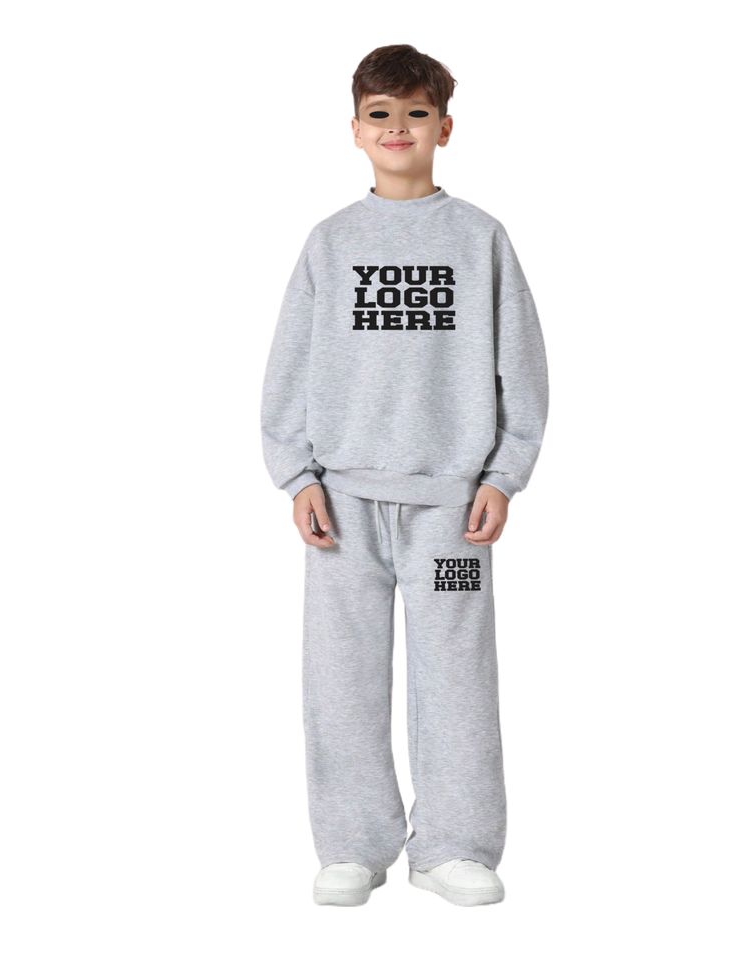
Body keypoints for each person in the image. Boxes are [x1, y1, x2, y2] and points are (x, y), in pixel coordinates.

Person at [260, 43, 549, 907]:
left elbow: (522, 366)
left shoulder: (479, 239)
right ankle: (354, 845)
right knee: (341, 679)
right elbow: (289, 366)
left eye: (416, 113)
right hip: (343, 505)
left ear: (444, 128)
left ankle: (454, 847)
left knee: (456, 676)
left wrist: (503, 474)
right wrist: (296, 475)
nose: (398, 128)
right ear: (355, 130)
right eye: (380, 114)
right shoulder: (331, 242)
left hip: (451, 511)